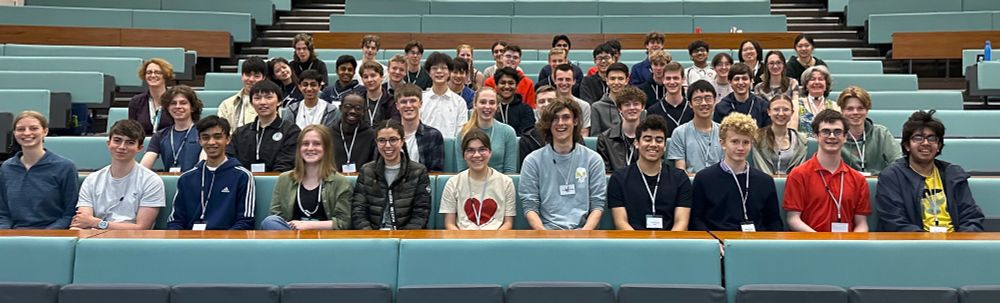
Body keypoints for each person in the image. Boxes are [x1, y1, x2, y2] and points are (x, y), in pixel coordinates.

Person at [876, 110, 985, 232]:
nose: (926, 143)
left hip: (955, 242)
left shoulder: (953, 174)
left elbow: (971, 216)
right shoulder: (892, 176)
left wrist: (960, 241)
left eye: (932, 138)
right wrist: (927, 244)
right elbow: (894, 221)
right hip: (914, 245)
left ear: (938, 146)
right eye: (918, 138)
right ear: (907, 145)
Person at [519, 98, 606, 230]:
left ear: (575, 121)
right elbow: (530, 205)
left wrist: (584, 234)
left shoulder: (593, 160)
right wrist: (544, 235)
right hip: (545, 234)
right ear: (548, 123)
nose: (560, 123)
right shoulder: (532, 161)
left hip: (584, 234)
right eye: (555, 118)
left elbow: (597, 205)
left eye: (566, 118)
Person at [690, 113, 783, 232]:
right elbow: (696, 220)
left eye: (746, 142)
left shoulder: (765, 181)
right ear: (722, 143)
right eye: (734, 142)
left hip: (757, 243)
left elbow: (774, 222)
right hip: (719, 243)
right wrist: (713, 244)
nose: (740, 148)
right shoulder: (704, 178)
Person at [784, 109, 870, 232]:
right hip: (811, 245)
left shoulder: (858, 179)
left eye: (837, 132)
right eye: (825, 132)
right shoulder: (798, 175)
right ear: (816, 136)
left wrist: (851, 244)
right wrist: (821, 242)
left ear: (845, 137)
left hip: (847, 246)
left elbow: (861, 223)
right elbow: (793, 219)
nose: (832, 136)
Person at [72, 120, 165, 230]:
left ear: (139, 148)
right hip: (93, 239)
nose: (122, 147)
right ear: (108, 144)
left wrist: (98, 223)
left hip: (132, 241)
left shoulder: (152, 181)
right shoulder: (92, 180)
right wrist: (90, 224)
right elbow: (83, 221)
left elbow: (142, 228)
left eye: (130, 142)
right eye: (117, 141)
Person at [167, 115, 255, 230]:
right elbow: (175, 220)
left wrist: (218, 243)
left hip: (226, 243)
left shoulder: (243, 176)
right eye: (205, 137)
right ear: (199, 140)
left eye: (217, 137)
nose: (211, 142)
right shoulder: (186, 178)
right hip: (189, 243)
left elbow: (245, 222)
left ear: (228, 139)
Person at [260, 125, 353, 230]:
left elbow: (343, 223)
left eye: (317, 144)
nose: (310, 148)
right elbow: (276, 215)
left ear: (326, 148)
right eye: (305, 144)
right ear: (299, 148)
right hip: (291, 238)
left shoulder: (340, 182)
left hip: (326, 240)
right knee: (270, 221)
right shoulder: (284, 179)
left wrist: (307, 225)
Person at [608, 115, 691, 230]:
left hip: (670, 243)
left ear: (665, 146)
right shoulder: (619, 178)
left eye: (659, 140)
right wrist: (644, 247)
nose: (653, 144)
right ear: (636, 143)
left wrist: (668, 246)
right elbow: (620, 223)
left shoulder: (680, 178)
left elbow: (681, 223)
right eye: (647, 139)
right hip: (633, 243)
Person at [0, 111, 79, 229]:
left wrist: (44, 236)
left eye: (34, 128)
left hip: (52, 236)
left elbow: (69, 213)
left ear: (45, 131)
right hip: (13, 236)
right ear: (14, 133)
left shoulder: (65, 167)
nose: (27, 133)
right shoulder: (7, 168)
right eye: (21, 129)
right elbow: (3, 212)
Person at [351, 120, 432, 230]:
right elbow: (358, 211)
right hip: (373, 238)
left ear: (402, 141)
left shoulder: (418, 171)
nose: (387, 145)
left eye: (393, 140)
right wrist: (370, 236)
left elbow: (421, 213)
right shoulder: (367, 171)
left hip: (407, 239)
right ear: (376, 142)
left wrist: (402, 238)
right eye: (382, 140)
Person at [440, 128, 517, 230]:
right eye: (470, 150)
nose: (476, 155)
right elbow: (449, 224)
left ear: (490, 152)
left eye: (482, 149)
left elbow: (508, 223)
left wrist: (492, 241)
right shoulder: (453, 183)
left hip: (496, 240)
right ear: (464, 155)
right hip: (462, 240)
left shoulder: (506, 182)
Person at [227, 80, 300, 173]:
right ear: (251, 103)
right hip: (244, 183)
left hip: (277, 183)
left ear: (279, 101)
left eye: (269, 97)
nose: (263, 102)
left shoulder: (291, 131)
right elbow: (231, 158)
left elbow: (287, 163)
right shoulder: (240, 133)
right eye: (257, 98)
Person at [838, 86, 902, 175]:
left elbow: (898, 163)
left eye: (860, 108)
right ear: (842, 111)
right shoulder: (835, 137)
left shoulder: (881, 133)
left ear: (867, 110)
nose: (855, 112)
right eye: (850, 109)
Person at [141, 85, 205, 172]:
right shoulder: (160, 135)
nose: (178, 106)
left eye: (183, 103)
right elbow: (143, 168)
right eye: (173, 103)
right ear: (168, 108)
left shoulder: (203, 133)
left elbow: (202, 168)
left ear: (192, 108)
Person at [456, 87, 518, 173]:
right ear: (475, 104)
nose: (487, 106)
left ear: (497, 106)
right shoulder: (463, 133)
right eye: (483, 102)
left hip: (500, 184)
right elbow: (462, 171)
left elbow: (510, 171)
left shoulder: (508, 132)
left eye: (492, 103)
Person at [668, 80, 723, 174]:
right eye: (698, 99)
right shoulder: (680, 133)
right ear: (690, 104)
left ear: (715, 101)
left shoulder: (724, 132)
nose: (704, 103)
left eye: (708, 98)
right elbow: (681, 173)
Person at [751, 95, 808, 175]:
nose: (781, 113)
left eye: (786, 109)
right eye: (776, 109)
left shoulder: (801, 140)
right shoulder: (757, 138)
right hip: (765, 183)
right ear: (769, 112)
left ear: (792, 113)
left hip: (793, 184)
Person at [396, 84, 445, 172]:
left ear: (420, 104)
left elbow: (435, 173)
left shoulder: (433, 135)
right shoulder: (390, 136)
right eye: (403, 102)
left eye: (413, 101)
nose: (408, 105)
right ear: (397, 106)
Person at [597, 86, 646, 172]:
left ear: (642, 107)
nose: (632, 108)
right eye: (627, 104)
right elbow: (605, 172)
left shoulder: (650, 137)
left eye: (636, 104)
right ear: (620, 109)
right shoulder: (605, 139)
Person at [420, 52, 467, 138]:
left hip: (450, 149)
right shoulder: (421, 100)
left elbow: (461, 134)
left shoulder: (459, 102)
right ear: (429, 73)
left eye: (443, 68)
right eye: (434, 68)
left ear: (449, 72)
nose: (439, 71)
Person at [714, 63, 771, 128]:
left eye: (744, 78)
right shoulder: (721, 107)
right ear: (730, 82)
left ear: (751, 81)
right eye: (736, 79)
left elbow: (767, 132)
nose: (740, 82)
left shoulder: (763, 106)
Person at [331, 93, 377, 173]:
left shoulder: (371, 135)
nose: (352, 111)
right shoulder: (329, 134)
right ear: (340, 108)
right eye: (348, 107)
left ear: (364, 111)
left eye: (358, 108)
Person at [218, 57, 267, 132]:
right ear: (242, 76)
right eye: (247, 75)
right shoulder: (226, 104)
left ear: (263, 78)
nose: (251, 79)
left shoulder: (268, 104)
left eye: (256, 76)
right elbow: (221, 132)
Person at [129, 58, 175, 135]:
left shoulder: (175, 100)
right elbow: (132, 131)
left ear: (165, 75)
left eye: (158, 72)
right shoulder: (136, 101)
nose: (153, 75)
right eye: (149, 72)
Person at [646, 62, 692, 138]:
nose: (672, 82)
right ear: (663, 80)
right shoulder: (653, 111)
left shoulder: (692, 108)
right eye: (668, 78)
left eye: (676, 78)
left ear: (683, 80)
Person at [790, 65, 838, 136]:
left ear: (826, 85)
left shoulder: (835, 106)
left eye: (821, 79)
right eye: (812, 79)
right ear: (806, 85)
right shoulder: (796, 105)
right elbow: (792, 132)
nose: (817, 82)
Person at [518, 90, 560, 168]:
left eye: (550, 100)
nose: (546, 104)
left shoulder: (569, 133)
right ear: (536, 106)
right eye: (541, 101)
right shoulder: (528, 138)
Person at [590, 62, 633, 135]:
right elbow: (595, 136)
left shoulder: (635, 107)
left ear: (627, 80)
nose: (616, 82)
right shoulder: (596, 107)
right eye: (612, 79)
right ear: (607, 80)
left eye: (620, 79)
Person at [492, 67, 536, 135]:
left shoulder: (526, 110)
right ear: (496, 86)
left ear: (517, 86)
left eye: (511, 83)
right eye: (503, 83)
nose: (506, 87)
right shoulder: (490, 108)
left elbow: (526, 134)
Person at [552, 64, 592, 136]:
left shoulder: (584, 106)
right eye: (560, 79)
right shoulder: (548, 104)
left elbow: (584, 133)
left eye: (568, 79)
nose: (564, 83)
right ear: (554, 81)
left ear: (574, 81)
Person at [359, 61, 398, 126]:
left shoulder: (392, 101)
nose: (369, 80)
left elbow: (394, 124)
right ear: (362, 80)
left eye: (373, 75)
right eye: (365, 77)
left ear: (381, 77)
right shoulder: (358, 101)